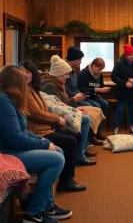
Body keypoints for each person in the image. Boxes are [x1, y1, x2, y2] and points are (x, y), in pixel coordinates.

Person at [0, 65, 72, 223]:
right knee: (57, 159)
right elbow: (16, 138)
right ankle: (34, 213)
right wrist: (45, 145)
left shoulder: (9, 100)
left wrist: (43, 141)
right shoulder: (4, 102)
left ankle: (47, 205)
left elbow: (21, 132)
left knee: (58, 150)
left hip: (11, 148)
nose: (25, 86)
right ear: (15, 83)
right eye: (23, 82)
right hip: (6, 154)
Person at [19, 60, 86, 192]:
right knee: (70, 140)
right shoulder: (26, 91)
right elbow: (36, 113)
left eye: (27, 72)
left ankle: (67, 176)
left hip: (43, 127)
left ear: (33, 74)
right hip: (37, 132)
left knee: (75, 135)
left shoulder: (33, 89)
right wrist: (57, 119)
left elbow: (45, 109)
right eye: (21, 72)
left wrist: (55, 121)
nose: (23, 74)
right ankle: (66, 181)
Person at [40, 55, 96, 166]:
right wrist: (75, 101)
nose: (68, 77)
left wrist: (75, 109)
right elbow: (56, 108)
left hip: (62, 114)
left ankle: (82, 150)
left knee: (86, 114)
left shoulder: (57, 83)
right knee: (85, 119)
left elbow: (60, 105)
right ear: (58, 73)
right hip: (55, 119)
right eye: (65, 74)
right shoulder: (49, 86)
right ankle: (79, 155)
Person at [65, 46, 106, 143]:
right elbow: (69, 91)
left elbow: (76, 88)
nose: (80, 62)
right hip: (73, 98)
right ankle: (90, 137)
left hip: (81, 95)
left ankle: (97, 132)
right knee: (91, 106)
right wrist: (83, 93)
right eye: (79, 59)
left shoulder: (73, 71)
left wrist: (94, 92)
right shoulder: (78, 73)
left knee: (103, 104)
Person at [111, 44, 133, 136]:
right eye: (130, 55)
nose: (132, 57)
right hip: (122, 90)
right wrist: (124, 83)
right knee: (120, 109)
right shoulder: (119, 63)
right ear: (125, 55)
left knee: (132, 109)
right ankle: (116, 128)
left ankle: (132, 127)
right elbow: (114, 76)